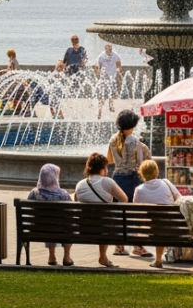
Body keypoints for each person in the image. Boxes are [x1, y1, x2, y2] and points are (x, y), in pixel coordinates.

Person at [106, 109, 151, 258]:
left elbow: (110, 160)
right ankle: (138, 246)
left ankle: (119, 246)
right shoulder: (134, 141)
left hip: (117, 178)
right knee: (134, 213)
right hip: (132, 180)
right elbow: (141, 162)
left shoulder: (113, 139)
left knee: (120, 214)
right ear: (131, 125)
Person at [74, 153, 127, 268]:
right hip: (106, 228)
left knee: (101, 218)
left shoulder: (79, 185)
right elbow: (124, 199)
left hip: (84, 227)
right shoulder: (108, 182)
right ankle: (103, 256)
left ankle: (67, 256)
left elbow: (76, 203)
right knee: (105, 219)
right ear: (103, 168)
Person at [132, 160, 181, 268]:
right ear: (156, 172)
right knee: (161, 223)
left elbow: (136, 211)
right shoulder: (166, 183)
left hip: (150, 229)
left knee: (155, 223)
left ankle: (158, 260)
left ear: (142, 174)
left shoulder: (139, 190)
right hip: (172, 227)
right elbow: (179, 199)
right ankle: (161, 259)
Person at [26, 163, 73, 266]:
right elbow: (71, 214)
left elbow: (29, 211)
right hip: (62, 230)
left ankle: (51, 256)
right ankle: (67, 256)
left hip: (39, 230)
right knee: (69, 224)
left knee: (48, 223)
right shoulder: (64, 195)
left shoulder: (34, 193)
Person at [94, 44, 122, 119]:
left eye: (110, 49)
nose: (109, 50)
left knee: (111, 92)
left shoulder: (115, 55)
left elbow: (119, 64)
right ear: (105, 49)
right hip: (103, 78)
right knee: (102, 95)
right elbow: (98, 66)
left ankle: (111, 105)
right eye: (108, 49)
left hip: (112, 77)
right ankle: (99, 112)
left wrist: (119, 73)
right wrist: (98, 75)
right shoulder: (101, 56)